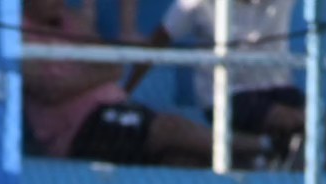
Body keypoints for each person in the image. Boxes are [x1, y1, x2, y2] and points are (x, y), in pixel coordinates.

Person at [22, 0, 268, 166]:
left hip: (111, 110)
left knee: (181, 159)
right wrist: (96, 76)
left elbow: (113, 66)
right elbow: (50, 90)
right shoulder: (20, 33)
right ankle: (264, 147)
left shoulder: (72, 22)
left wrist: (80, 79)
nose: (60, 2)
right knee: (169, 128)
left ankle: (257, 164)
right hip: (79, 131)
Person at [125, 0, 326, 171]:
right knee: (288, 119)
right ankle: (270, 155)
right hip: (228, 95)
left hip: (279, 88)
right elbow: (159, 40)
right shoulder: (196, 4)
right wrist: (127, 89)